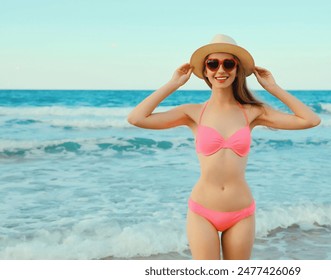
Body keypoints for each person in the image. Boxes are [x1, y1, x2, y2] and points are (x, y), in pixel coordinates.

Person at [127, 34, 320, 260]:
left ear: (237, 69)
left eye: (228, 63)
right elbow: (136, 118)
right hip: (202, 212)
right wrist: (173, 84)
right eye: (213, 64)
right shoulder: (193, 113)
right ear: (205, 71)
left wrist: (273, 88)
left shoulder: (252, 112)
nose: (221, 70)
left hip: (241, 212)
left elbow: (310, 120)